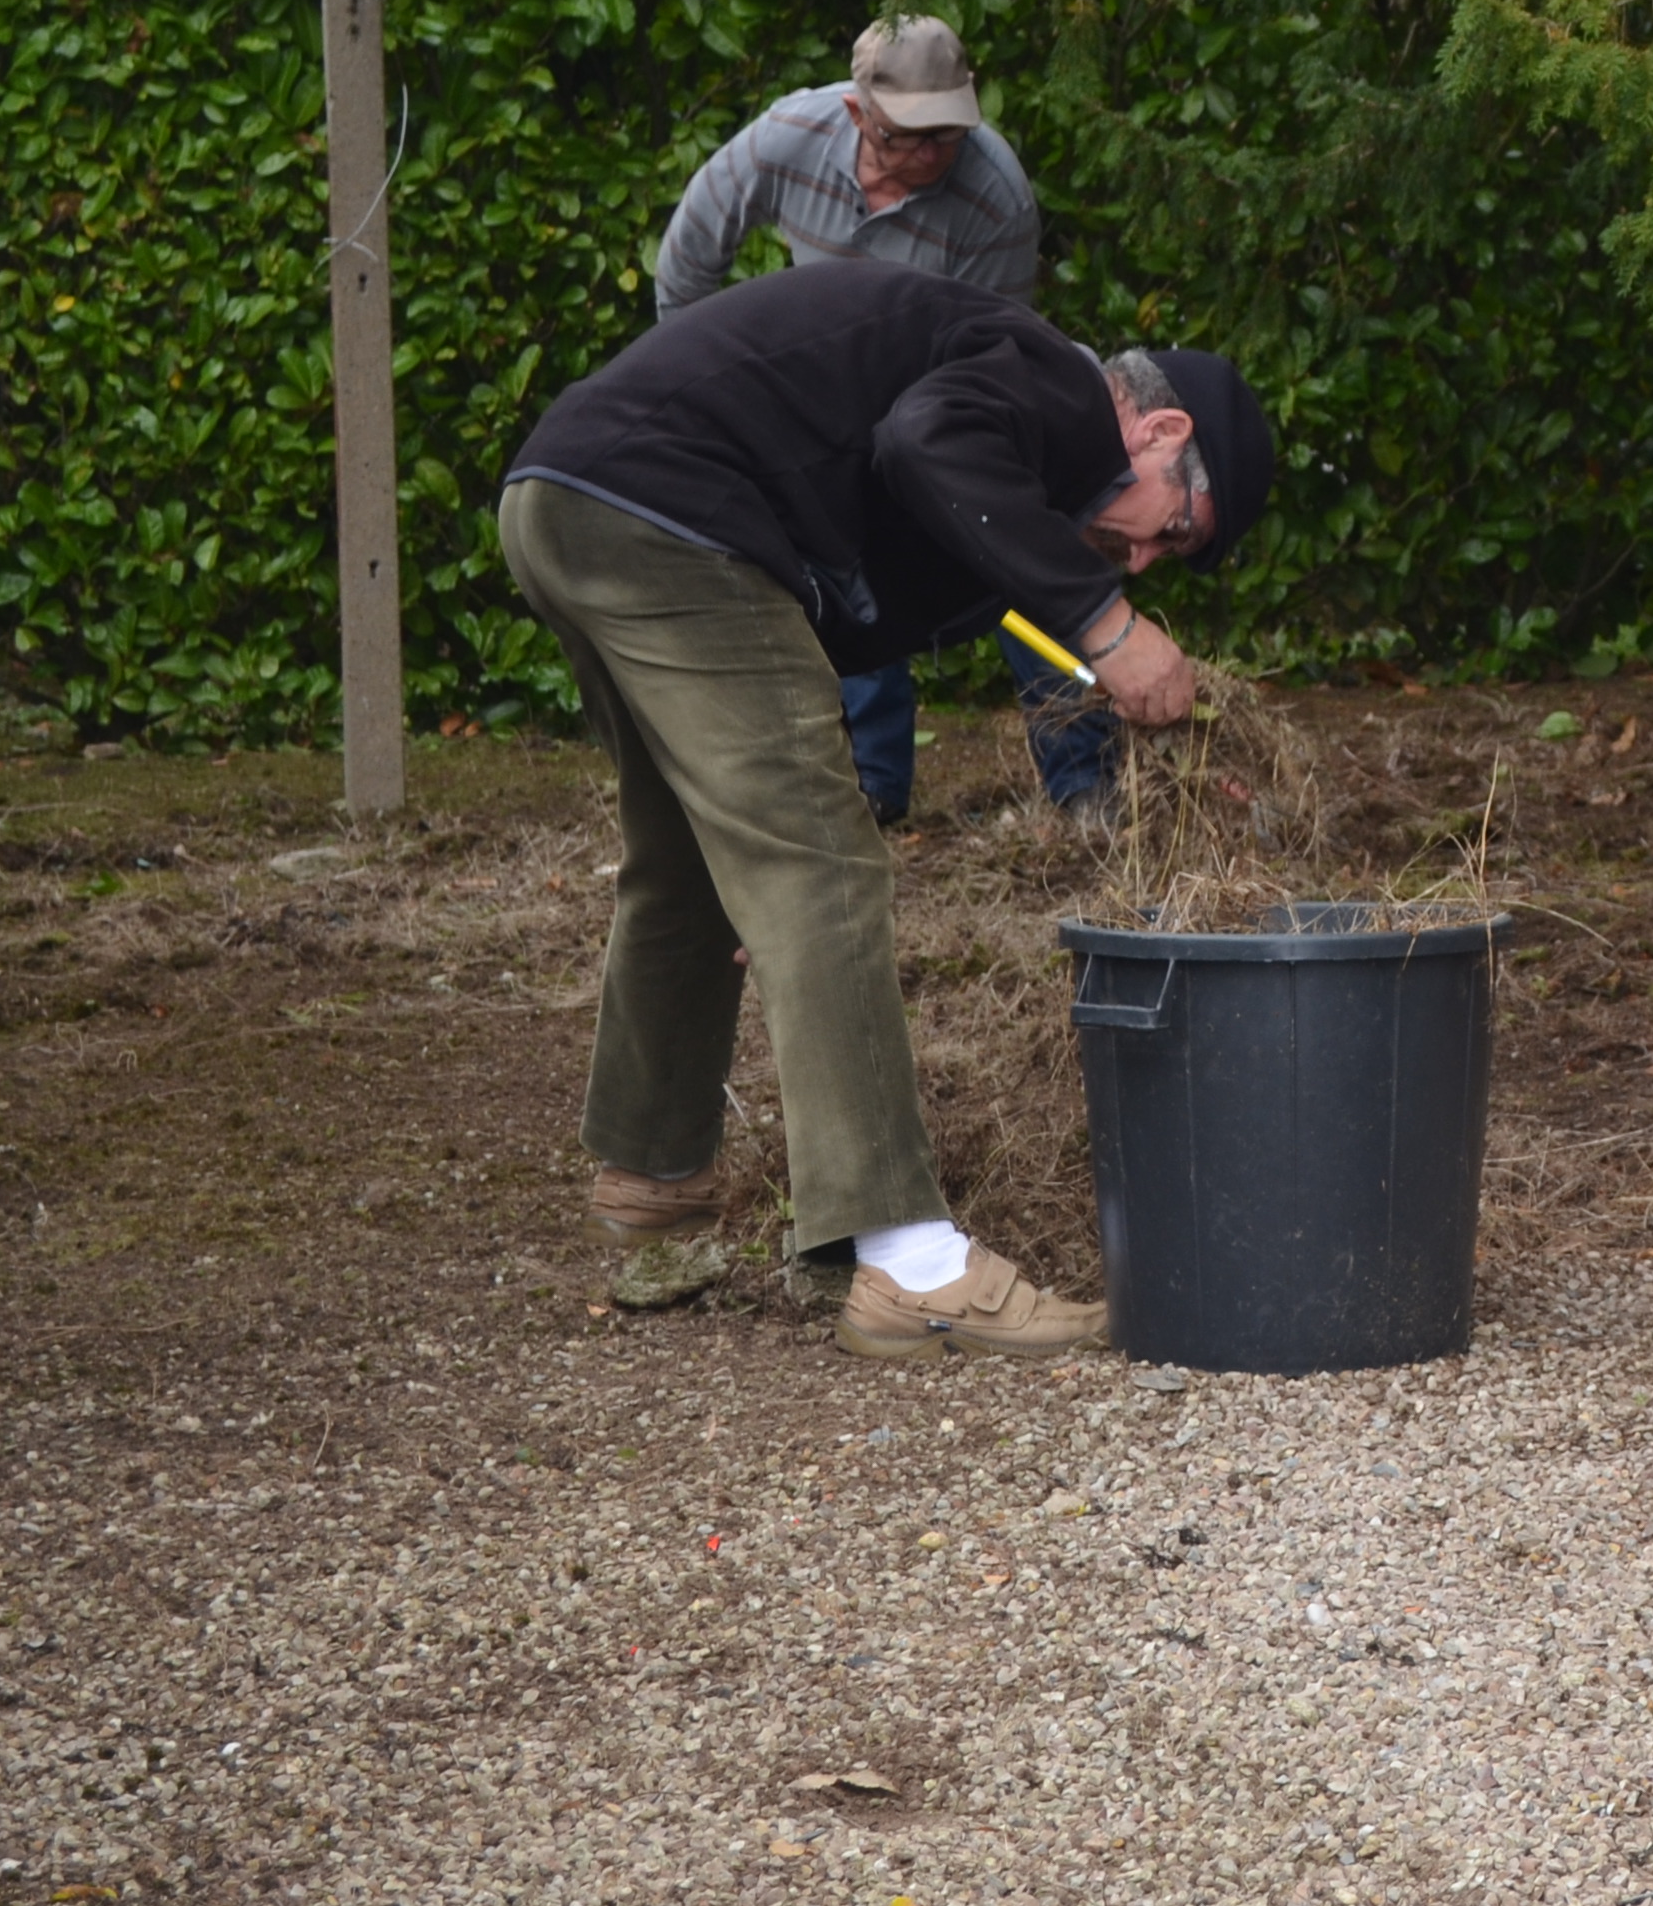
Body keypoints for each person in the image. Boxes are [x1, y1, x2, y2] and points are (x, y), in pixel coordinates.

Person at [498, 258, 1275, 1354]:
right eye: (1171, 527)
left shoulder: (1016, 481)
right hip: (670, 512)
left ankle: (653, 1177)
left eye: (1160, 560)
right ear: (1157, 428)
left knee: (686, 859)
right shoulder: (1058, 387)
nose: (1140, 558)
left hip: (566, 498)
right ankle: (911, 1261)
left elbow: (955, 560)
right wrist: (1110, 627)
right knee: (820, 864)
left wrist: (1166, 748)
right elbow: (925, 442)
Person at [650, 13, 1107, 823]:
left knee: (1019, 557)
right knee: (833, 569)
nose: (934, 155)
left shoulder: (995, 194)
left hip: (940, 399)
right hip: (822, 396)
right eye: (911, 138)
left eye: (949, 136)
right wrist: (717, 402)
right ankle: (872, 792)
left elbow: (995, 358)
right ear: (860, 115)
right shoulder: (787, 136)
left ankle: (1083, 782)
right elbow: (688, 265)